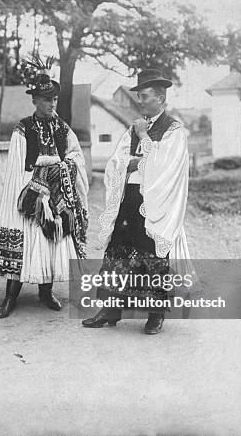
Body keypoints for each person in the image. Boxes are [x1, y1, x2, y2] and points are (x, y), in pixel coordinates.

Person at [82, 68, 192, 334]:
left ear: (160, 98)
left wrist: (143, 142)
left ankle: (156, 313)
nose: (139, 101)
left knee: (152, 255)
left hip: (155, 203)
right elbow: (116, 162)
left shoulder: (173, 130)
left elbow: (166, 167)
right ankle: (110, 310)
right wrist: (132, 162)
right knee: (117, 251)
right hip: (129, 198)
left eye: (143, 96)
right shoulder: (135, 127)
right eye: (139, 96)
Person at [0, 55, 89, 318]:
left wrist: (64, 168)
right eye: (46, 99)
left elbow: (75, 155)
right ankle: (10, 296)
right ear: (34, 100)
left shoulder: (62, 128)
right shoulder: (23, 128)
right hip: (30, 193)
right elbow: (16, 166)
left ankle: (46, 292)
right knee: (25, 242)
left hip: (56, 195)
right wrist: (33, 190)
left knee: (51, 240)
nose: (51, 103)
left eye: (54, 98)